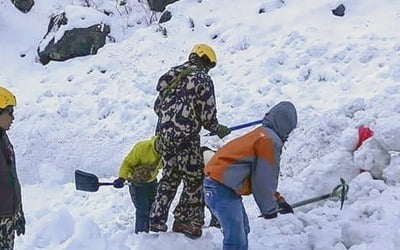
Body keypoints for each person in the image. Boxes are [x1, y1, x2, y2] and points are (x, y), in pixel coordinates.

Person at [150, 44, 231, 238]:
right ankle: (186, 221)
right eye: (209, 65)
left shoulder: (171, 77)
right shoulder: (202, 78)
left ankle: (156, 219)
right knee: (194, 179)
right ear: (205, 61)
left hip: (163, 139)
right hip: (186, 138)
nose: (208, 69)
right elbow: (207, 112)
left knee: (169, 178)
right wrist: (216, 127)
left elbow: (157, 108)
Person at [204, 101, 297, 250]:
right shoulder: (269, 140)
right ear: (287, 125)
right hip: (221, 188)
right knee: (235, 239)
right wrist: (269, 208)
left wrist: (277, 200)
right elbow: (263, 180)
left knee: (242, 231)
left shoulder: (261, 134)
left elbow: (260, 176)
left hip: (218, 185)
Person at [112, 136, 162, 234]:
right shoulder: (142, 148)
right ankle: (141, 236)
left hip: (151, 182)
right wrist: (122, 178)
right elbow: (127, 163)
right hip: (137, 183)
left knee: (153, 207)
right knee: (142, 209)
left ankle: (152, 234)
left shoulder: (168, 153)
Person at [0, 86, 25, 250]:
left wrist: (18, 212)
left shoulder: (4, 139)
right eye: (9, 112)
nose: (12, 117)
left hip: (6, 219)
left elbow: (10, 178)